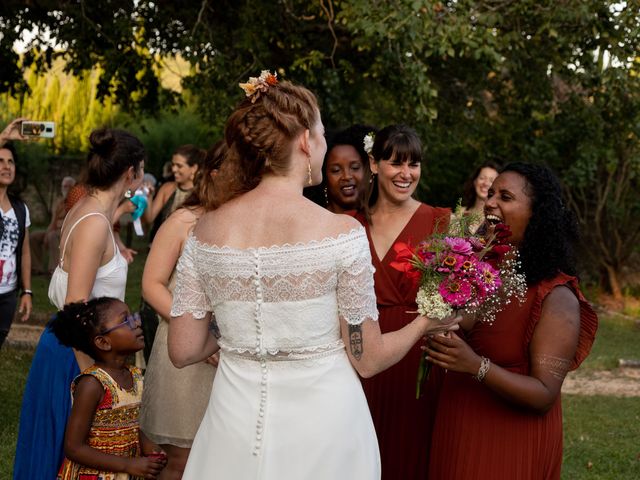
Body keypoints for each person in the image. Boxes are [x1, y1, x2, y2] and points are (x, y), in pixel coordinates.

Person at [166, 72, 459, 479]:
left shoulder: (205, 231)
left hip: (233, 423)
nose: (321, 143)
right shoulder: (341, 234)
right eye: (321, 133)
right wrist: (425, 323)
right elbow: (368, 357)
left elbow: (182, 349)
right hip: (325, 427)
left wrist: (240, 332)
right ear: (305, 141)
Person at [426, 163, 598, 479]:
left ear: (536, 215)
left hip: (507, 441)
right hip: (457, 426)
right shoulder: (475, 274)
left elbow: (544, 394)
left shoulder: (556, 296)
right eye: (491, 194)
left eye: (505, 196)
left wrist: (475, 365)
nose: (491, 202)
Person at [14, 128, 146, 480]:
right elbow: (76, 307)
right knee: (69, 456)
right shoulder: (93, 222)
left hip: (71, 350)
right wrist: (97, 379)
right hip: (75, 356)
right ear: (130, 172)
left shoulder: (90, 209)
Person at [354, 124, 451, 480]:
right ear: (375, 164)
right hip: (361, 354)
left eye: (415, 164)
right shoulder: (348, 224)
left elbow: (462, 296)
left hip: (418, 358)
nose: (406, 174)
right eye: (396, 163)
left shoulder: (442, 222)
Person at [140, 141, 224, 479]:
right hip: (183, 347)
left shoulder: (248, 223)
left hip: (231, 353)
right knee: (180, 460)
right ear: (214, 174)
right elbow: (152, 285)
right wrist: (196, 331)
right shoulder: (183, 221)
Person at [49, 298, 168, 479]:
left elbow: (138, 425)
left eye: (133, 317)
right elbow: (74, 447)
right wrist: (128, 465)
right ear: (103, 342)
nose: (137, 323)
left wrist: (151, 449)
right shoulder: (93, 384)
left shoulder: (137, 376)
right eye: (125, 320)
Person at [0, 142, 32, 349]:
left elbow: (25, 252)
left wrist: (26, 291)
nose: (7, 166)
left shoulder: (21, 209)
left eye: (11, 161)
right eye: (0, 161)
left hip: (7, 294)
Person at [143, 145, 207, 240]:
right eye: (173, 165)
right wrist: (148, 197)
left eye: (179, 166)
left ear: (193, 168)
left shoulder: (203, 191)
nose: (174, 169)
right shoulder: (167, 188)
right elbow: (149, 219)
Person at [309, 124, 375, 213]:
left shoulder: (380, 220)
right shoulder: (313, 219)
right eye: (336, 170)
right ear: (324, 176)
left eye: (355, 168)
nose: (347, 176)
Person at [30, 176, 76, 275]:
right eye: (64, 186)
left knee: (52, 236)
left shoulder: (76, 202)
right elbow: (53, 222)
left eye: (69, 186)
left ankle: (54, 270)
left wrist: (52, 232)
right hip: (56, 230)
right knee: (34, 236)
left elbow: (72, 222)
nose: (66, 188)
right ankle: (37, 268)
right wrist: (47, 233)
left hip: (69, 232)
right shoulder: (59, 203)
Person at [459, 160, 500, 233]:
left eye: (491, 180)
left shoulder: (496, 220)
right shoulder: (459, 213)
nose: (486, 183)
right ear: (474, 181)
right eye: (482, 178)